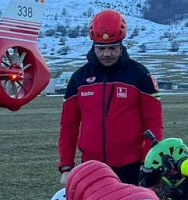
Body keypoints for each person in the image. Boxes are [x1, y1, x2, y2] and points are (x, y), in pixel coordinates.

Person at [58, 10, 164, 186]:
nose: (107, 54)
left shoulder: (140, 75)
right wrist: (66, 167)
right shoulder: (79, 78)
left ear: (121, 46)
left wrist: (148, 163)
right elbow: (68, 127)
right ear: (93, 47)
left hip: (132, 168)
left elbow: (154, 124)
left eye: (112, 48)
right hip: (92, 168)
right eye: (101, 49)